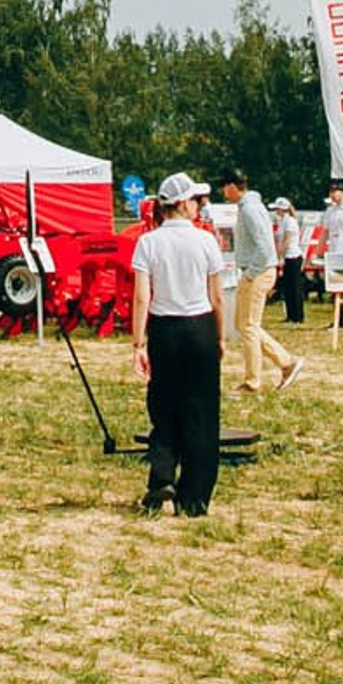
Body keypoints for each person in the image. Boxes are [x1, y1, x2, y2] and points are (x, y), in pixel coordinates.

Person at [132, 174, 229, 517]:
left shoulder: (148, 242)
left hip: (165, 328)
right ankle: (195, 497)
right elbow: (217, 296)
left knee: (163, 405)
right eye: (196, 201)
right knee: (201, 410)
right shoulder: (205, 241)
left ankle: (161, 479)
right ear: (184, 204)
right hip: (199, 326)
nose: (199, 206)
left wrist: (138, 343)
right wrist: (220, 336)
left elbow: (142, 296)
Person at [221, 177, 303, 393]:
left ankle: (253, 381)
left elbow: (264, 247)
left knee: (248, 326)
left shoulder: (250, 209)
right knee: (244, 325)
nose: (223, 192)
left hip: (257, 272)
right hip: (256, 271)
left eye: (224, 187)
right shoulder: (249, 207)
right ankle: (286, 362)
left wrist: (250, 273)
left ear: (232, 186)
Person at [272, 197, 307, 326]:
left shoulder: (290, 222)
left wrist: (279, 255)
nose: (276, 211)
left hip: (293, 256)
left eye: (277, 209)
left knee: (295, 287)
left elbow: (287, 241)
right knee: (288, 288)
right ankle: (290, 315)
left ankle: (298, 316)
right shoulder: (282, 222)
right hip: (287, 257)